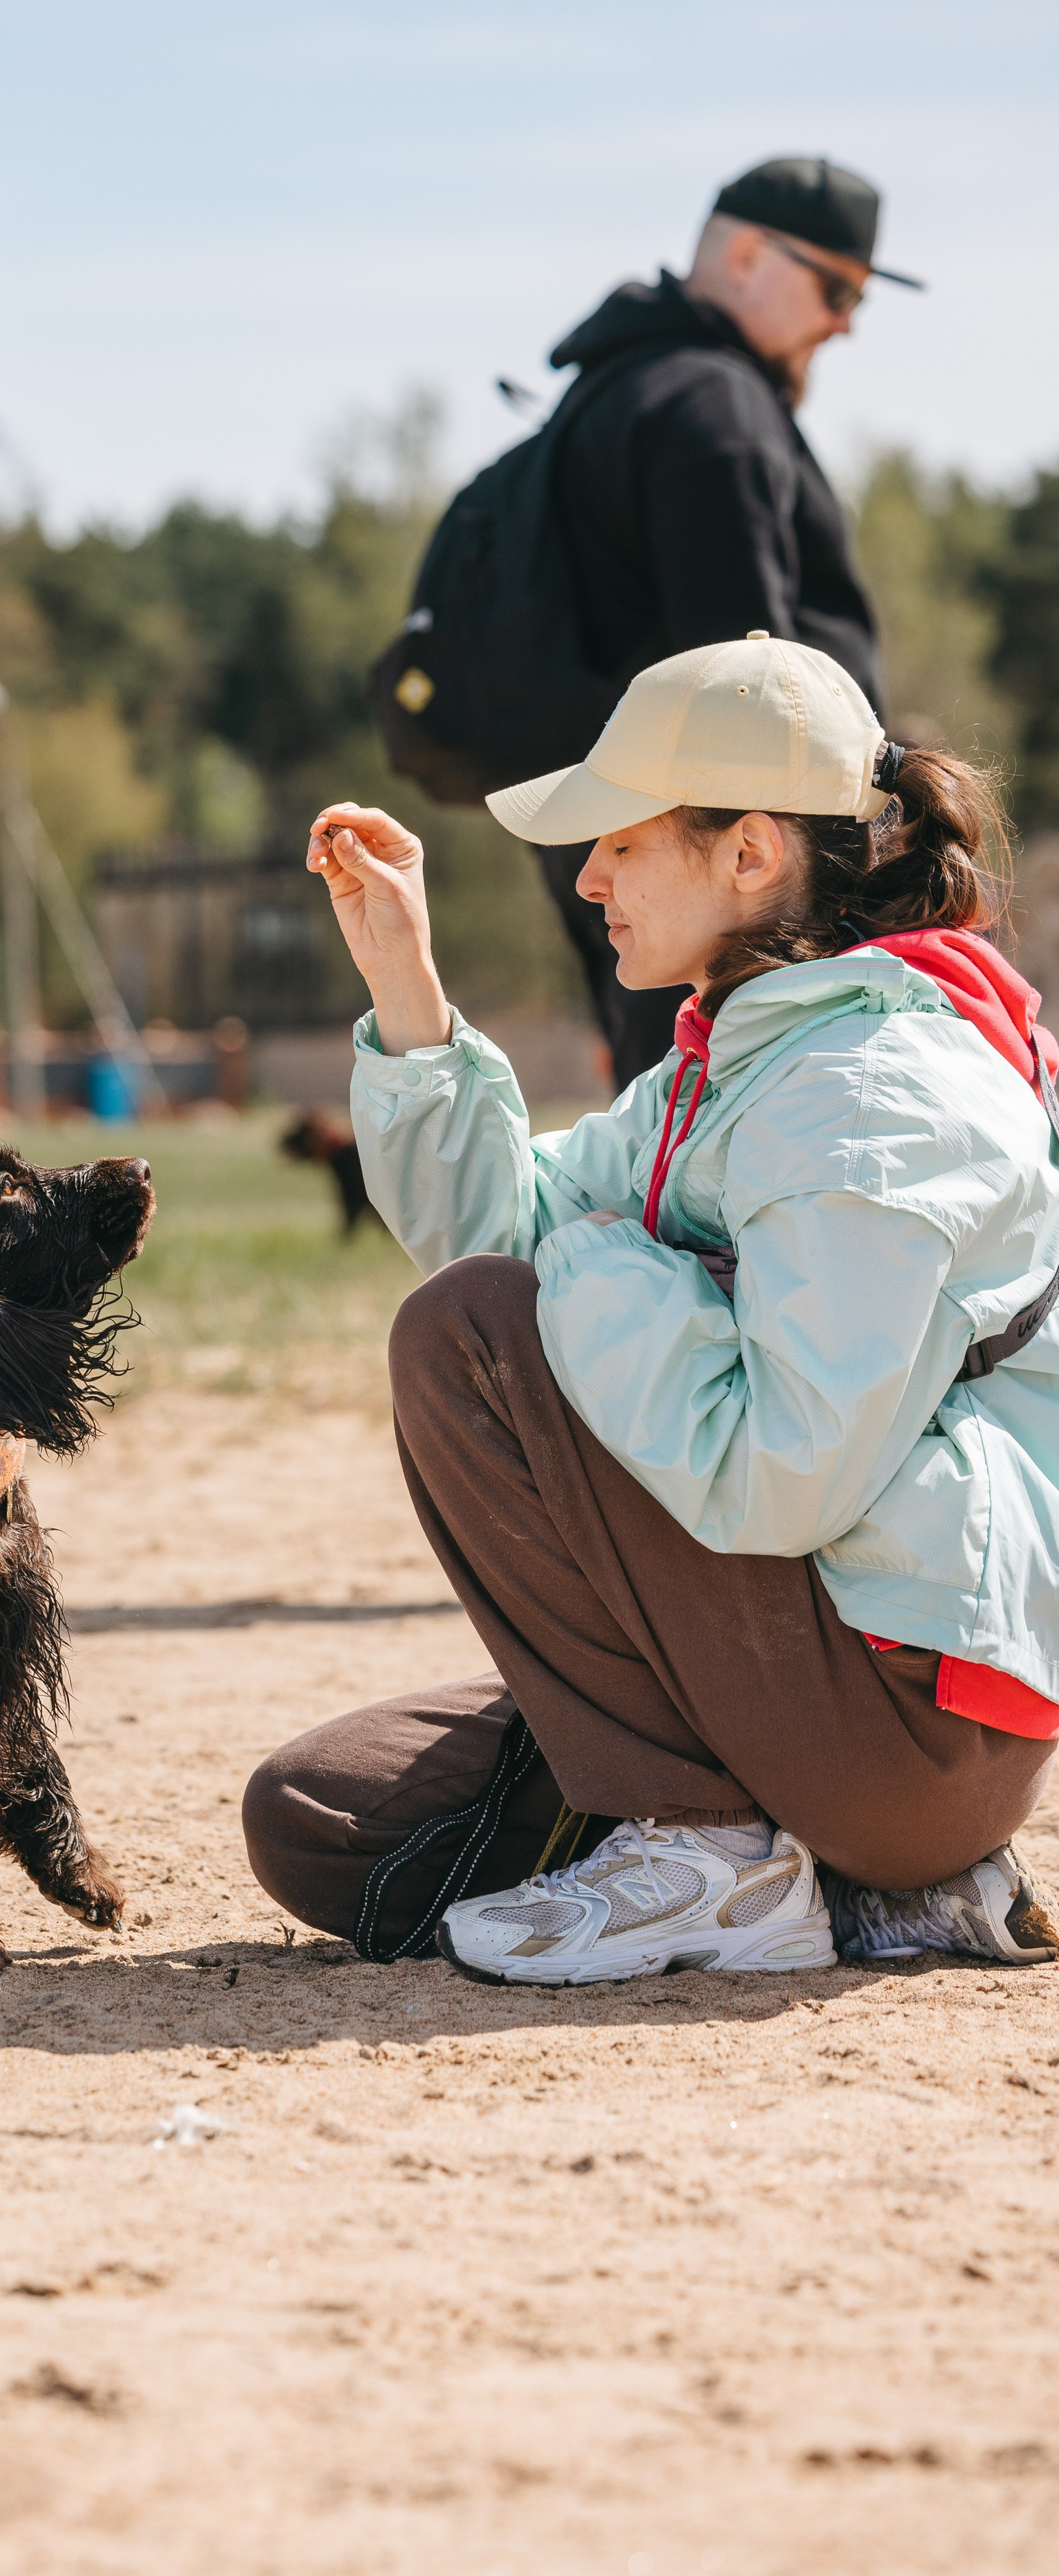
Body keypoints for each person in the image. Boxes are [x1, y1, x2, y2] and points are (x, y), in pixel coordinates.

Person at [244, 633, 1059, 1983]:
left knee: (466, 1339)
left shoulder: (869, 1094)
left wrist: (593, 1270)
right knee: (326, 1816)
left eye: (618, 839)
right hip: (818, 1675)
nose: (586, 877)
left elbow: (779, 1469)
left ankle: (726, 1854)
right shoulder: (748, 1052)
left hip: (913, 1729)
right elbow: (498, 1228)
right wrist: (408, 988)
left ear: (748, 853)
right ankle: (833, 1886)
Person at [530, 155, 916, 1089]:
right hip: (718, 840)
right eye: (834, 286)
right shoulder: (713, 405)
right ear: (746, 254)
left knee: (661, 1091)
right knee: (729, 1102)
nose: (846, 321)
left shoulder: (615, 386)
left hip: (632, 810)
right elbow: (752, 672)